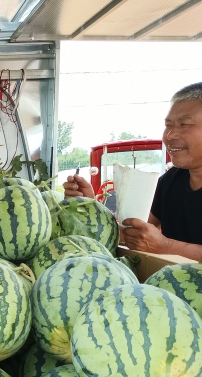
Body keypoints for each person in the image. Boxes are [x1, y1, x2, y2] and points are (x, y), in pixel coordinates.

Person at [64, 82, 202, 261]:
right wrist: (90, 206)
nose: (170, 135)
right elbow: (133, 234)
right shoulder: (170, 180)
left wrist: (166, 246)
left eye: (184, 124)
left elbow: (159, 245)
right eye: (168, 125)